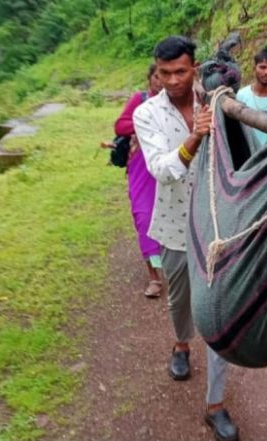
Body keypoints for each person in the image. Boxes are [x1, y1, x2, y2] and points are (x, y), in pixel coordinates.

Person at [134, 36, 239, 441]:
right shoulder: (147, 113)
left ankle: (215, 404)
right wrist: (195, 136)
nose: (173, 80)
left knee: (215, 310)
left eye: (181, 71)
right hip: (175, 227)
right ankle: (180, 345)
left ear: (194, 68)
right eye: (165, 73)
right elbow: (161, 169)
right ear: (156, 73)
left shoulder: (219, 100)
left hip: (217, 225)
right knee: (180, 303)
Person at [114, 64, 164, 298]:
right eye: (157, 76)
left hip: (168, 165)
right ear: (150, 79)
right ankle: (154, 277)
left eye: (164, 75)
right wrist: (145, 123)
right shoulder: (140, 99)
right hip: (141, 168)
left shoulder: (176, 101)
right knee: (144, 217)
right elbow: (120, 125)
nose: (160, 80)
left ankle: (177, 269)